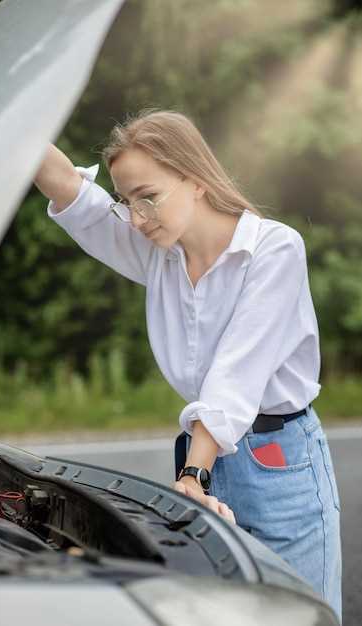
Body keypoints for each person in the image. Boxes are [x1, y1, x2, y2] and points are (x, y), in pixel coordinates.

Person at [33, 108, 342, 622]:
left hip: (278, 461)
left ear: (195, 180)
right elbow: (69, 188)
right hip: (204, 460)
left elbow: (234, 376)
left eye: (147, 197)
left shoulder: (274, 249)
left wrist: (193, 474)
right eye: (126, 201)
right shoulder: (159, 251)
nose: (135, 218)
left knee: (299, 614)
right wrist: (7, 119)